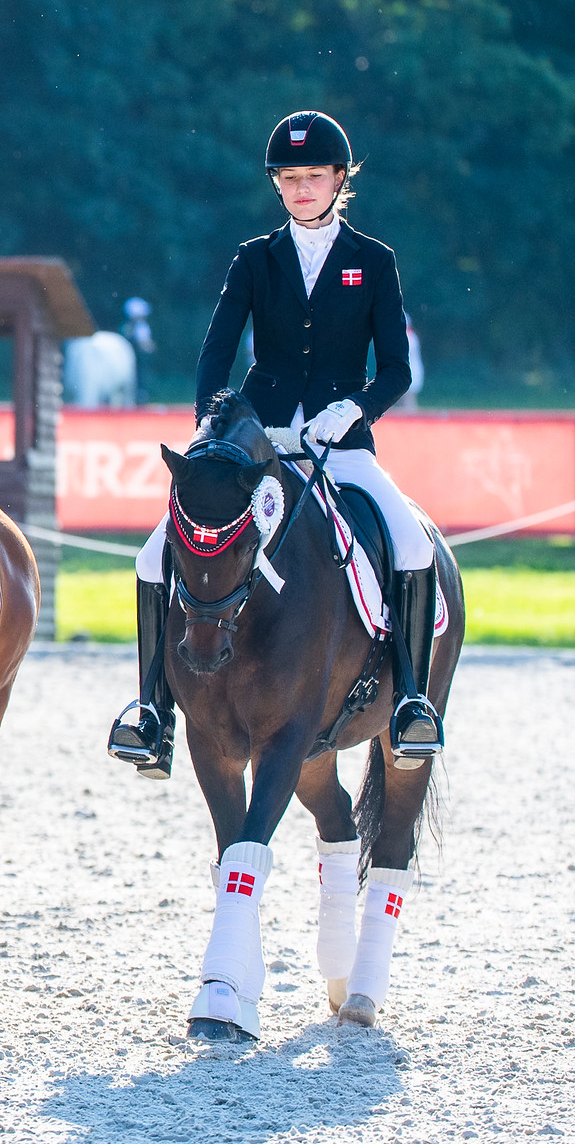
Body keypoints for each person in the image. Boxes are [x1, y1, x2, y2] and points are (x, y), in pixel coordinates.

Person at [108, 110, 442, 779]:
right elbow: (216, 352)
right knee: (153, 556)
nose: (301, 189)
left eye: (314, 177)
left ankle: (408, 697)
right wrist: (212, 424)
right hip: (258, 449)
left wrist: (355, 407)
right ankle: (152, 710)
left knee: (410, 543)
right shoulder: (255, 258)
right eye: (289, 179)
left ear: (340, 179)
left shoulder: (373, 261)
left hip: (340, 446)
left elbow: (397, 369)